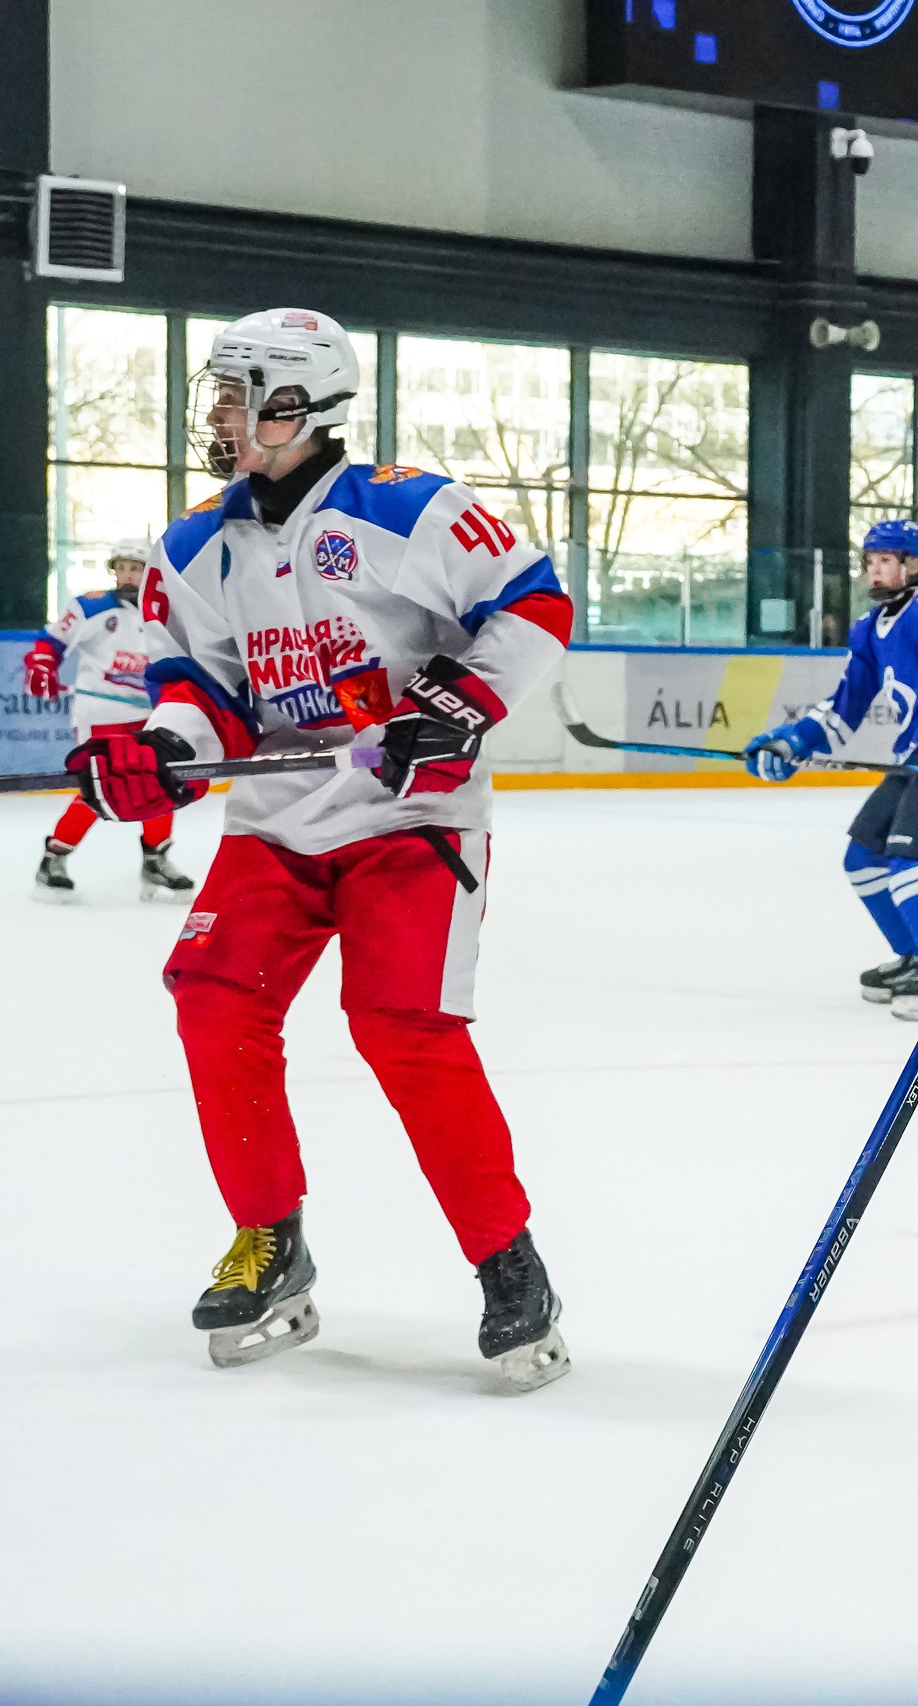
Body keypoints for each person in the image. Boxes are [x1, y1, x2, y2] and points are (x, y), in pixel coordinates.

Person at [73, 307, 576, 1391]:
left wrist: (455, 701)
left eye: (234, 390)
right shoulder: (192, 543)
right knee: (212, 991)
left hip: (408, 819)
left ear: (294, 404)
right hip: (277, 829)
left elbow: (533, 599)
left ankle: (507, 1259)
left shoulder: (410, 508)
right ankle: (271, 1236)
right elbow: (200, 693)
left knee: (401, 1025)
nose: (215, 411)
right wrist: (162, 749)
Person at [740, 518, 918, 1018]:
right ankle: (916, 955)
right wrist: (792, 742)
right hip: (914, 755)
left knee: (909, 864)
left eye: (885, 561)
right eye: (870, 562)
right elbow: (844, 708)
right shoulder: (869, 631)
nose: (875, 571)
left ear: (913, 565)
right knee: (862, 858)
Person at [28, 545, 197, 902]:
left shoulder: (165, 610)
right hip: (99, 714)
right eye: (122, 568)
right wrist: (43, 664)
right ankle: (54, 858)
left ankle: (155, 859)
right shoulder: (92, 606)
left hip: (151, 714)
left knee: (162, 782)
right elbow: (51, 641)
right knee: (100, 787)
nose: (129, 575)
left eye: (136, 568)